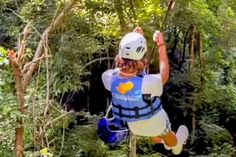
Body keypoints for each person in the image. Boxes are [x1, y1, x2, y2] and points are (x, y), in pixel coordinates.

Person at [101, 26, 188, 155]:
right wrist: (162, 46)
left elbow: (123, 72)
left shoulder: (107, 77)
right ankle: (176, 144)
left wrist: (133, 39)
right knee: (166, 132)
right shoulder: (149, 83)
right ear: (142, 60)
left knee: (150, 126)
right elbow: (163, 76)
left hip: (134, 127)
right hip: (156, 123)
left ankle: (161, 141)